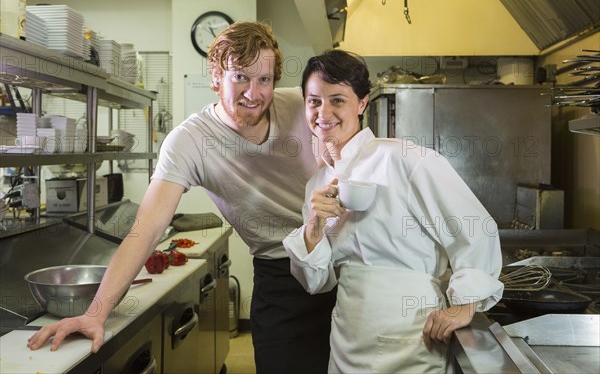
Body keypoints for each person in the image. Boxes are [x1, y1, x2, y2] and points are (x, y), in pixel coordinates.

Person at [27, 22, 336, 374]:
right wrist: (95, 313)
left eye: (264, 80)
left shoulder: (304, 106)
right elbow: (147, 227)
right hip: (281, 272)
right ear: (217, 76)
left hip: (343, 258)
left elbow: (359, 152)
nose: (254, 92)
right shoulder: (189, 141)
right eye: (240, 77)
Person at [282, 50, 504, 373]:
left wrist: (466, 305)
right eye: (314, 101)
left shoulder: (404, 159)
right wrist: (314, 227)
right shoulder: (317, 184)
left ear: (362, 103)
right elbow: (317, 281)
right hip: (349, 338)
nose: (323, 112)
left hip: (412, 337)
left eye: (337, 100)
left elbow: (476, 227)